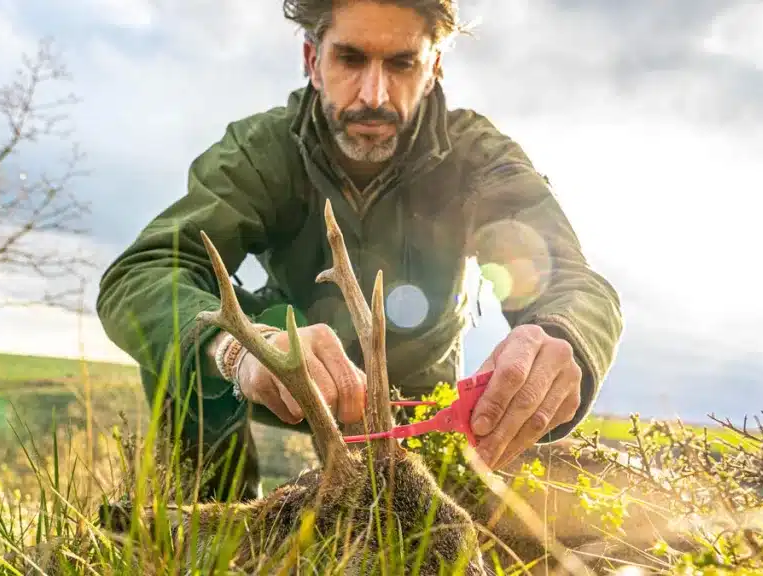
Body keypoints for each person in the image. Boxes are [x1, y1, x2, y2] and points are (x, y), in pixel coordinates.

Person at [96, 0, 624, 502]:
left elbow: (568, 282)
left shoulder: (478, 158)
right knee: (192, 337)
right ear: (313, 60)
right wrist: (238, 350)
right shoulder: (262, 150)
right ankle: (213, 526)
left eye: (401, 64)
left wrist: (561, 337)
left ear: (434, 67)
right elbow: (145, 272)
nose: (374, 94)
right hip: (288, 366)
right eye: (350, 58)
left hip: (423, 399)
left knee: (432, 530)